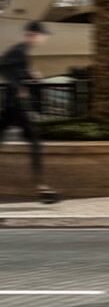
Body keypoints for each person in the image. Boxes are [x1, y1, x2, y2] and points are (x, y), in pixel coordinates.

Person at [0, 21, 58, 203]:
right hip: (17, 104)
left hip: (14, 105)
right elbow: (1, 65)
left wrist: (29, 74)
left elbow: (13, 69)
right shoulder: (19, 50)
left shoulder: (22, 51)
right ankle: (42, 189)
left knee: (33, 142)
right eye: (42, 35)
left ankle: (42, 188)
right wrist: (18, 87)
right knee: (35, 142)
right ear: (33, 34)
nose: (43, 38)